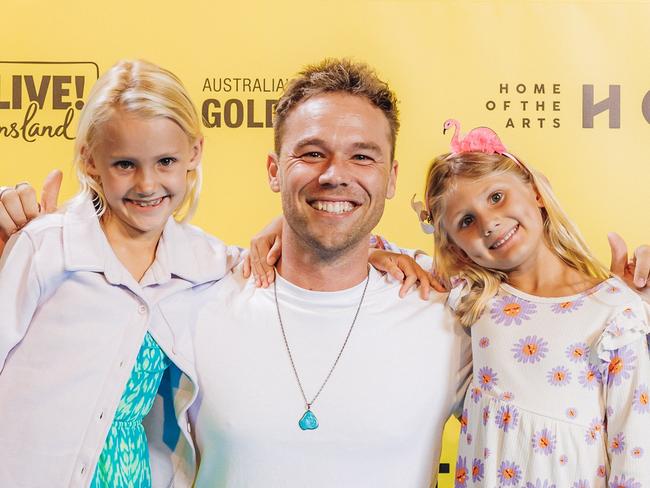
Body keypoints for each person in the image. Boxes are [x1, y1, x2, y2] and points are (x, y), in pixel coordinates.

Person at [1, 60, 649, 487]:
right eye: (311, 153)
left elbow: (562, 375)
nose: (335, 174)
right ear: (273, 170)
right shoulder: (193, 295)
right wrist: (20, 240)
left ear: (392, 179)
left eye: (361, 156)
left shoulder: (451, 312)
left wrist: (629, 303)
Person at [0, 60, 241, 488]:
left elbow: (291, 258)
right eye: (125, 164)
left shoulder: (208, 265)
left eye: (166, 161)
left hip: (132, 476)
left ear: (195, 153)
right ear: (91, 161)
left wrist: (387, 255)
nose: (147, 184)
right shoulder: (45, 248)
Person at [415, 122, 650, 487]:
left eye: (496, 197)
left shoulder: (617, 314)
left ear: (536, 191)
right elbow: (355, 256)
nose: (489, 223)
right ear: (456, 249)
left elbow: (635, 453)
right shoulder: (472, 300)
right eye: (466, 221)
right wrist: (384, 256)